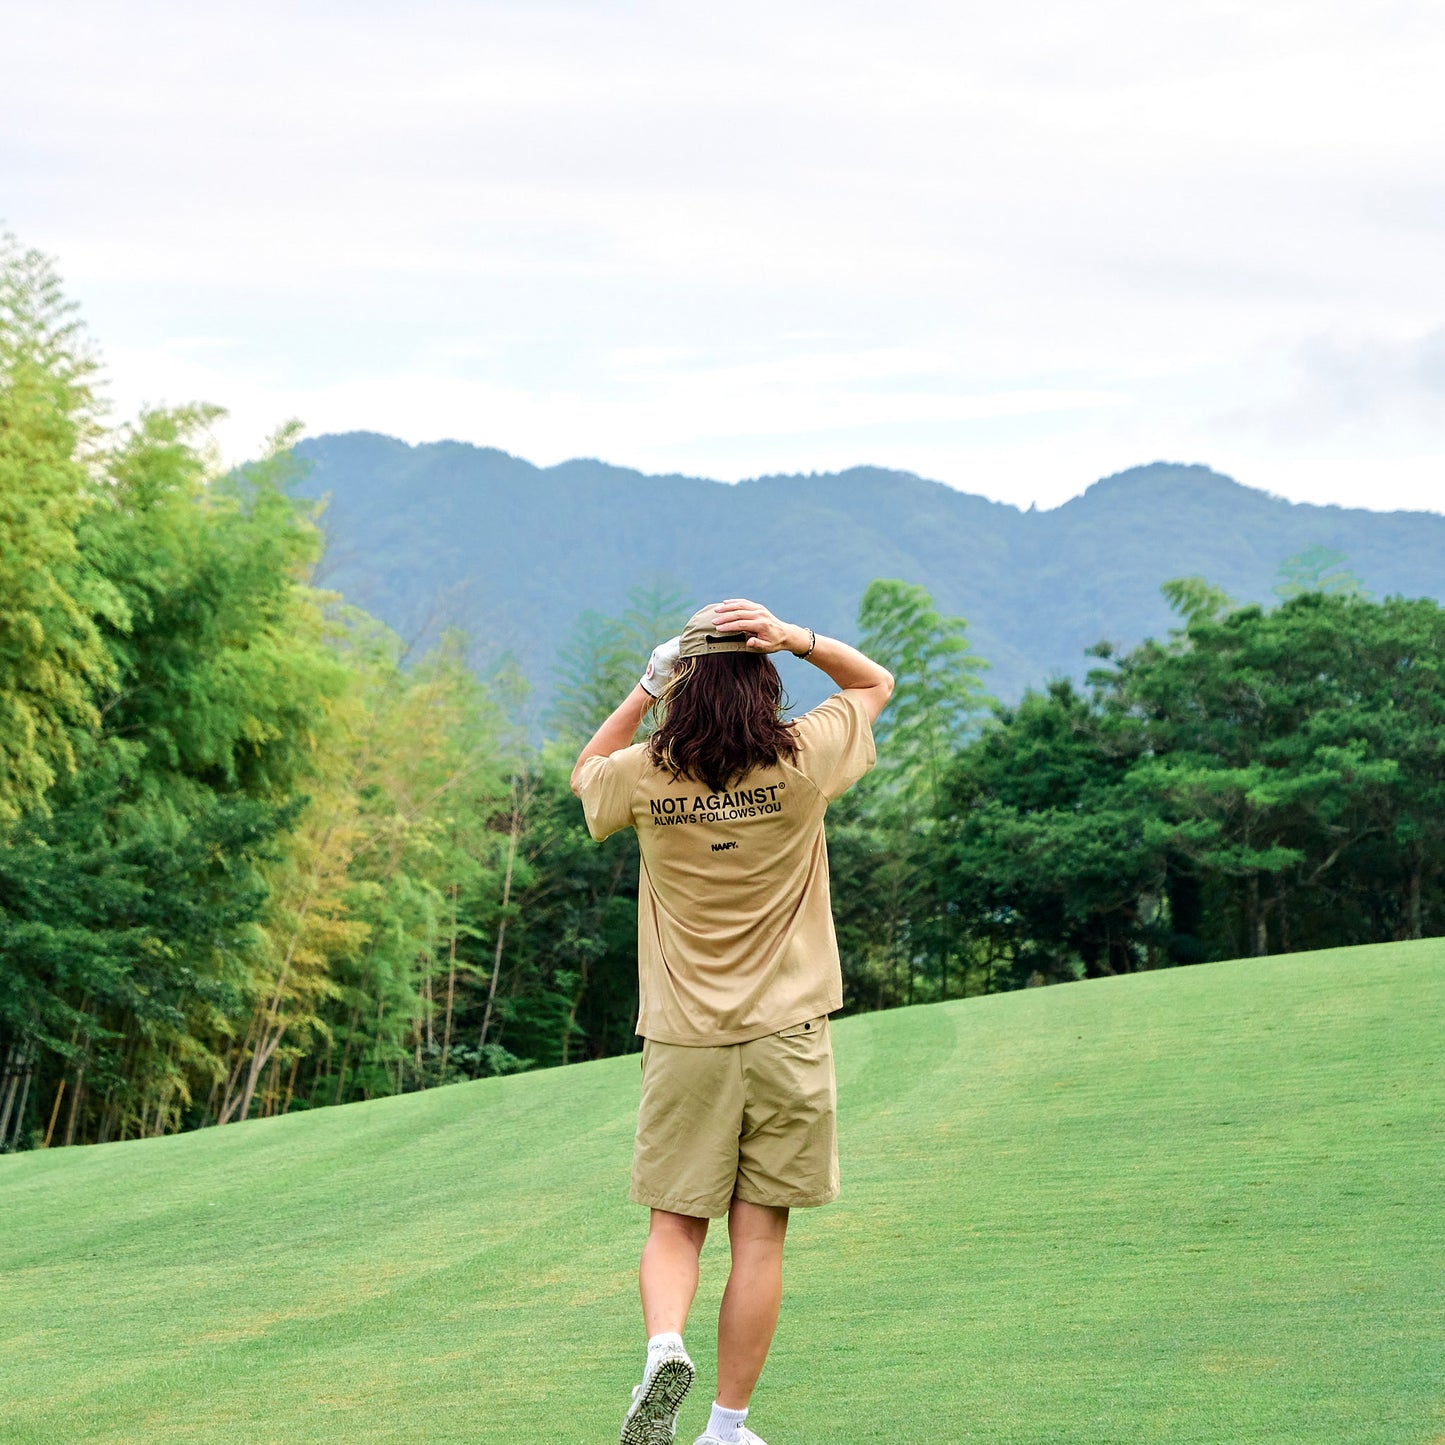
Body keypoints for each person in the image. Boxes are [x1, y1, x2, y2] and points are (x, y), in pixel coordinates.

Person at [571, 597, 894, 1445]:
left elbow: (585, 772)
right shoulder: (804, 758)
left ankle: (662, 1345)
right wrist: (796, 636)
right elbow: (875, 681)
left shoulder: (646, 773)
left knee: (676, 1221)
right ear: (762, 678)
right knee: (759, 1235)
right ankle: (725, 1425)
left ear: (685, 682)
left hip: (684, 1039)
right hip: (788, 1034)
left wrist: (644, 687)